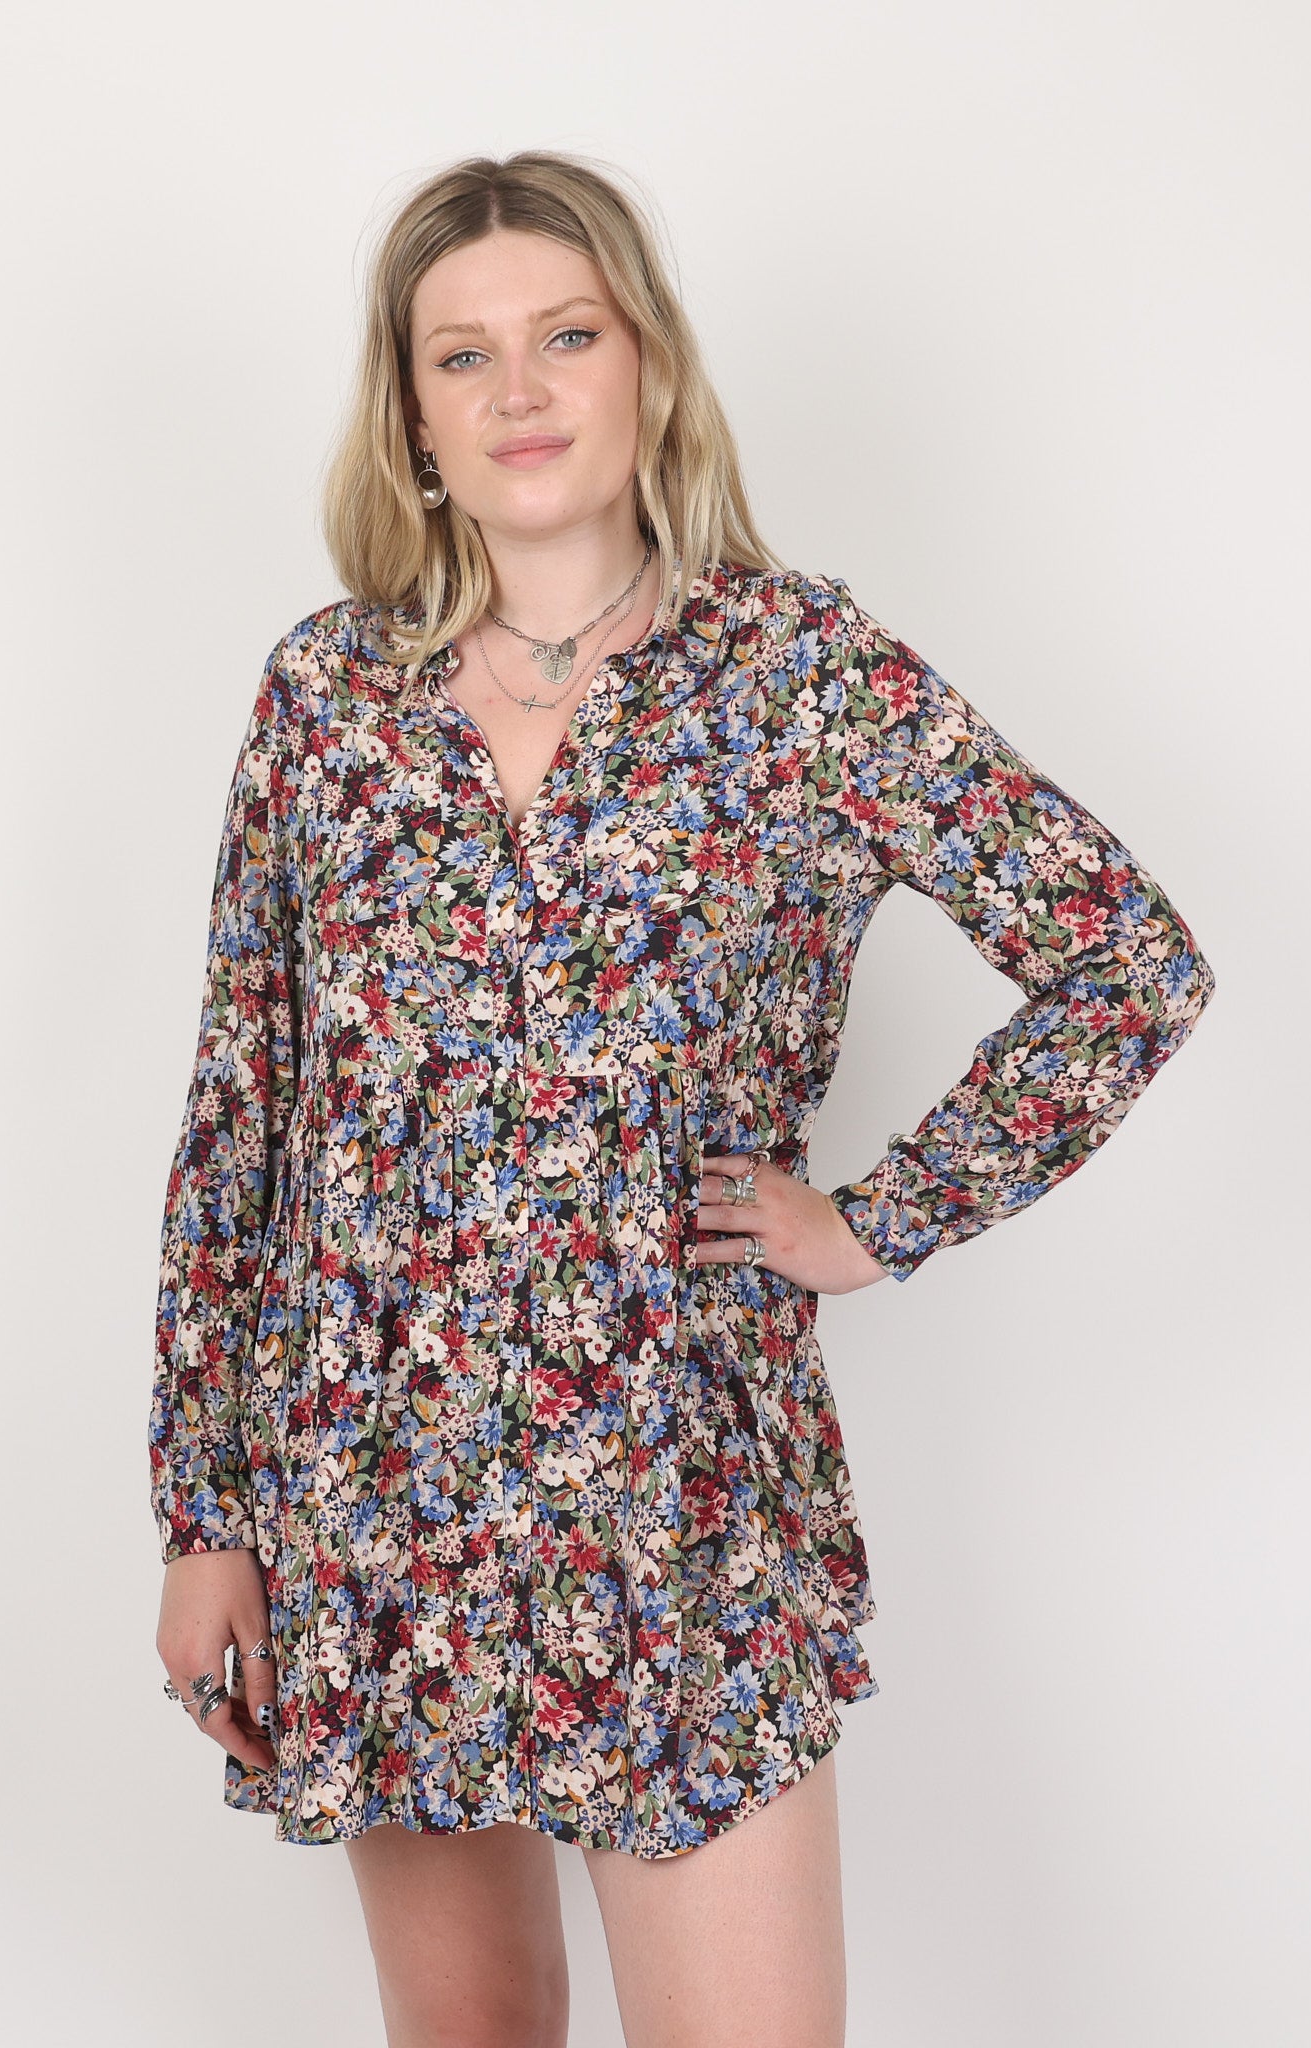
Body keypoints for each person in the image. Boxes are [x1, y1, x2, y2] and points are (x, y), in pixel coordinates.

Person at [147, 149, 1215, 2048]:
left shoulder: (802, 675)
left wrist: (876, 1222)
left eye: (566, 335)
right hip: (376, 1494)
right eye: (462, 356)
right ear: (412, 416)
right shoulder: (325, 701)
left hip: (682, 1492)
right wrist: (202, 1516)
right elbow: (244, 1122)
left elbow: (1127, 960)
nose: (520, 390)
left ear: (647, 361)